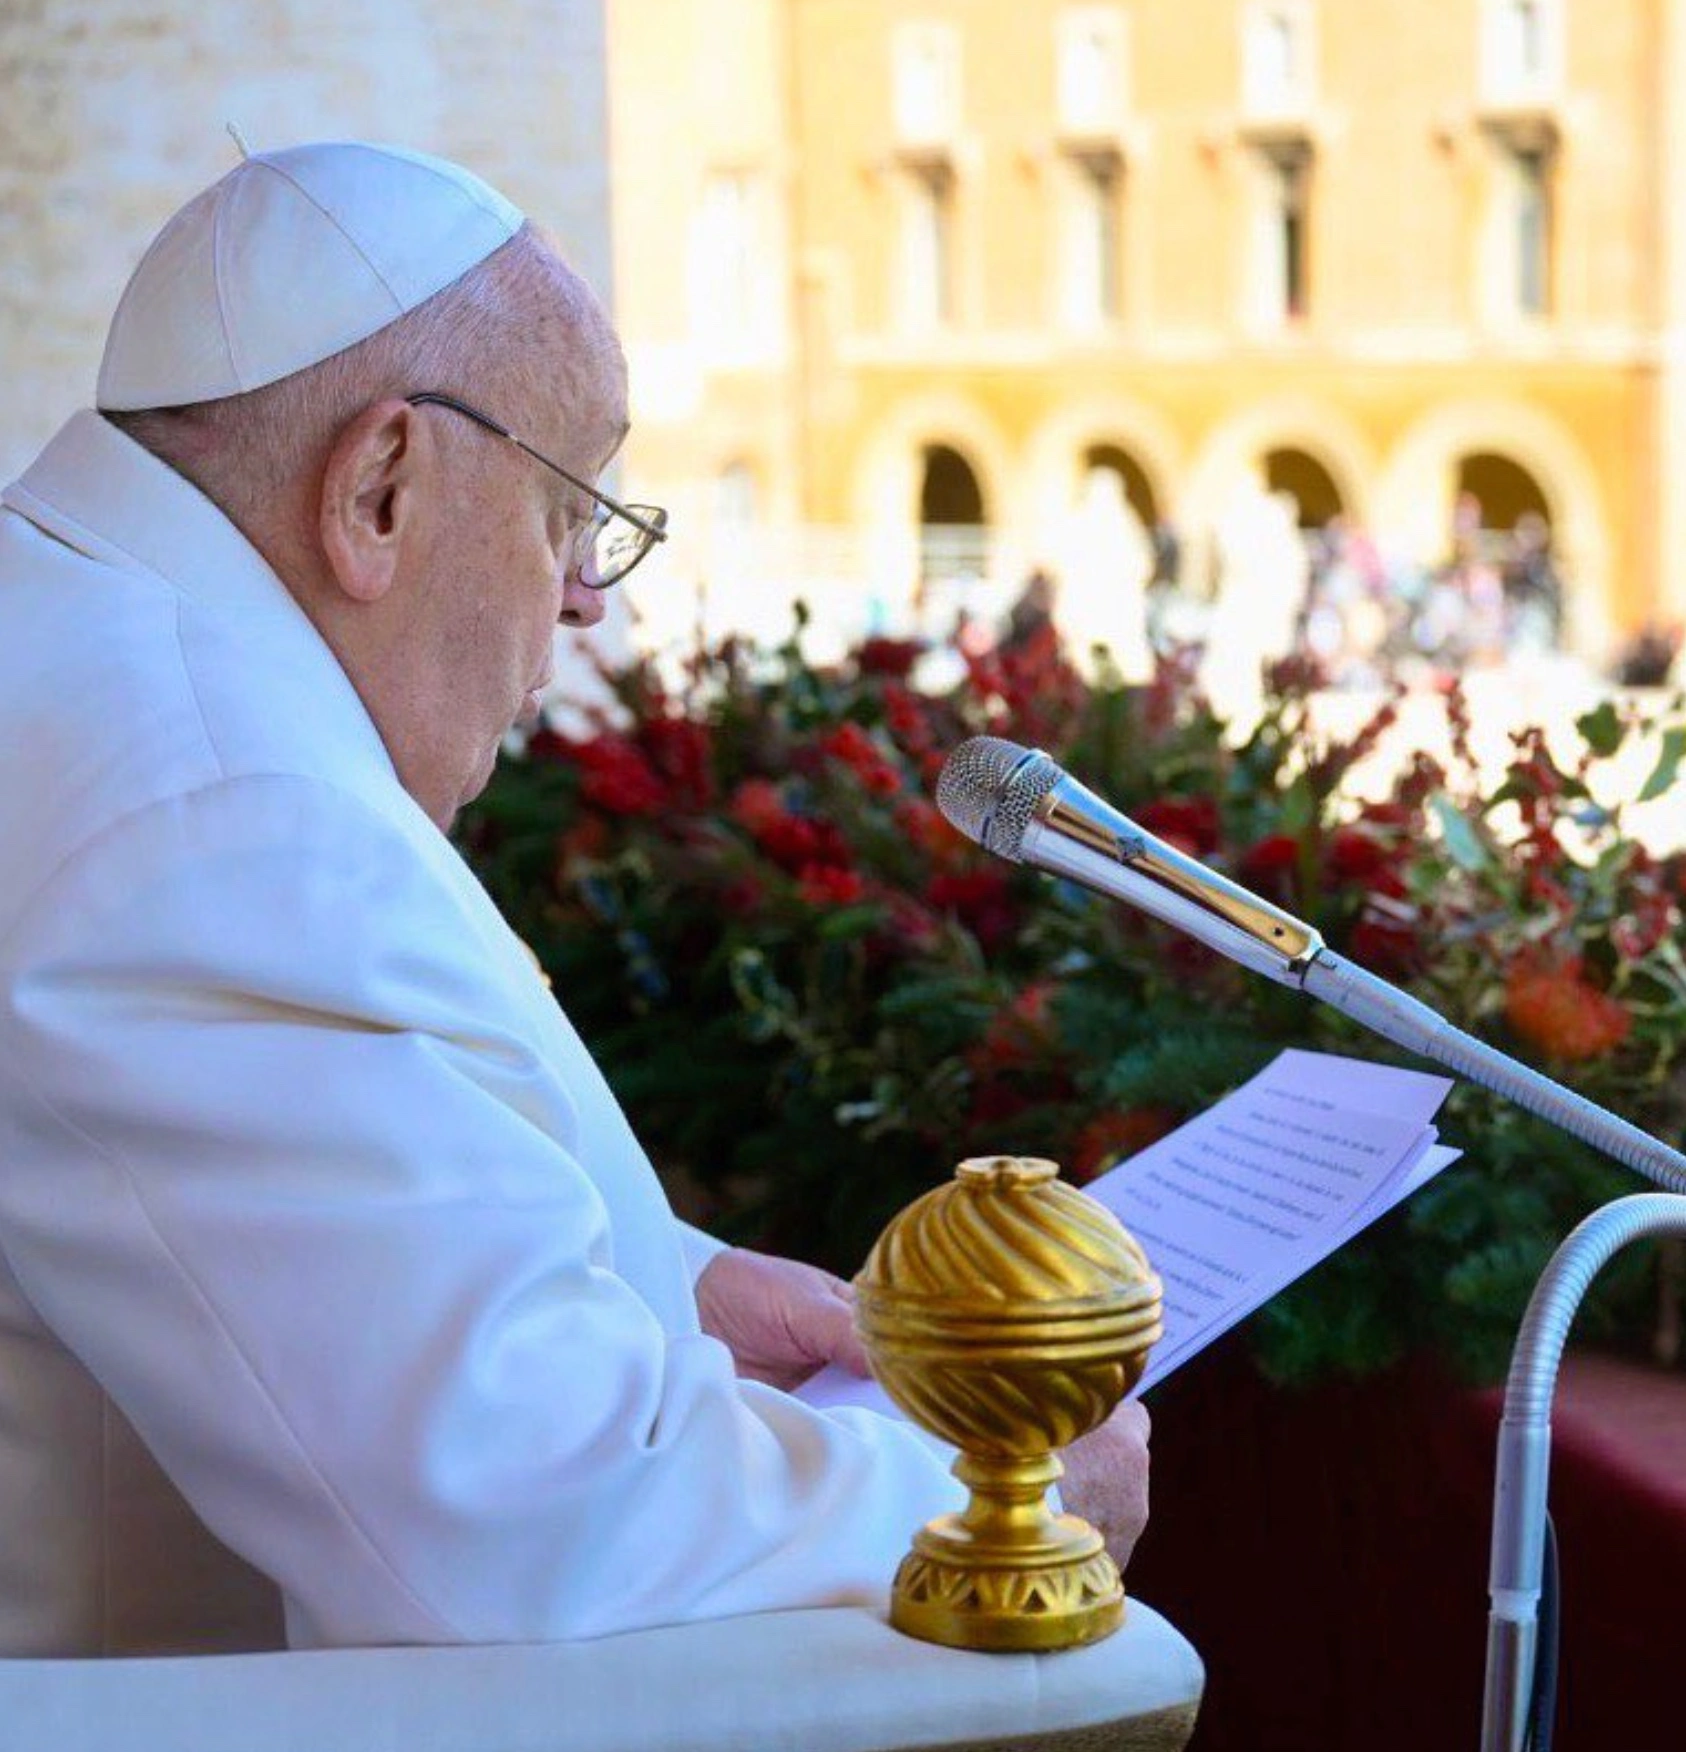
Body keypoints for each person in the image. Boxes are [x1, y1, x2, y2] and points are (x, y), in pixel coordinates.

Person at [0, 140, 1149, 1656]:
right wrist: (992, 1491)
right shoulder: (227, 817)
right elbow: (524, 1526)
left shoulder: (87, 651)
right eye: (569, 507)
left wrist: (672, 1285)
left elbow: (267, 1225)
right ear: (379, 488)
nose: (588, 594)